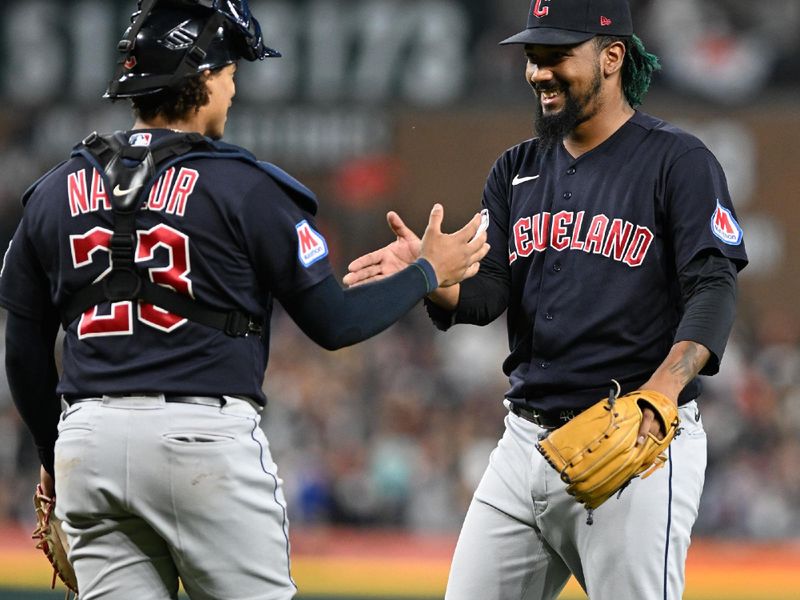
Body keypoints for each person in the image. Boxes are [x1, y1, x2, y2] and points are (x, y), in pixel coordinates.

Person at [0, 1, 488, 599]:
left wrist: (52, 455)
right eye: (230, 74)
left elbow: (23, 347)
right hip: (201, 439)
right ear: (203, 77)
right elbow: (333, 323)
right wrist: (425, 274)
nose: (233, 90)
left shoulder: (52, 193)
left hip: (88, 444)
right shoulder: (244, 186)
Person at [344, 0, 749, 598]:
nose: (538, 72)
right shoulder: (517, 169)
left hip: (634, 446)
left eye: (556, 55)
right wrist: (430, 275)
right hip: (525, 443)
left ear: (612, 56)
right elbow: (488, 296)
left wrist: (661, 394)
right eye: (533, 57)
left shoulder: (677, 161)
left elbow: (714, 286)